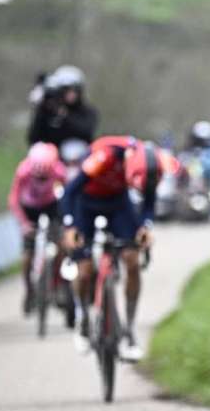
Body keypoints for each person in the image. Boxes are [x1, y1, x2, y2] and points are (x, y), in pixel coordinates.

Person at [60, 135, 158, 361]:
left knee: (132, 260)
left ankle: (129, 331)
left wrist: (146, 226)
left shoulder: (150, 161)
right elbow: (70, 192)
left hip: (118, 204)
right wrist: (69, 226)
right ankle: (82, 317)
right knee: (84, 271)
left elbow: (149, 198)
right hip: (85, 203)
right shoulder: (104, 157)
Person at [8, 142, 67, 314]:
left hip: (51, 206)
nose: (41, 180)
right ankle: (29, 291)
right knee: (27, 257)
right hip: (30, 209)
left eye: (44, 177)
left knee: (61, 247)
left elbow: (68, 196)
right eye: (38, 177)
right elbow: (13, 199)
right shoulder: (23, 171)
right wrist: (24, 223)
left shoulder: (59, 171)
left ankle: (60, 285)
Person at [27, 65, 98, 147]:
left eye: (75, 90)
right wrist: (43, 109)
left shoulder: (87, 111)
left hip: (80, 154)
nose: (71, 94)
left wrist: (65, 115)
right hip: (52, 154)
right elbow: (33, 139)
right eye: (67, 90)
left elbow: (86, 132)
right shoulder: (49, 110)